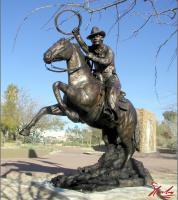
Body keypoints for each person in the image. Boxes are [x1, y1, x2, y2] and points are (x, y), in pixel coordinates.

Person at [72, 26, 126, 120]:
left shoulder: (108, 50)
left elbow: (106, 61)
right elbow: (84, 47)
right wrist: (77, 35)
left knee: (110, 98)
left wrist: (92, 57)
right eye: (93, 37)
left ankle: (113, 114)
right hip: (97, 77)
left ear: (101, 37)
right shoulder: (92, 49)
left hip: (110, 78)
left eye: (96, 36)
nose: (94, 38)